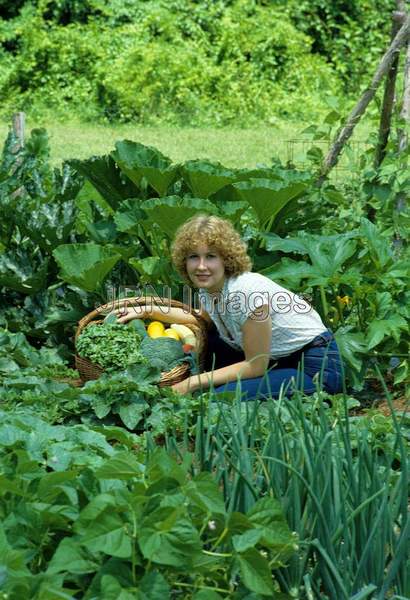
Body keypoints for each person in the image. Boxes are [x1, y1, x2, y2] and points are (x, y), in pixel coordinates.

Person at [118, 214, 343, 400]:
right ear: (183, 261)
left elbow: (255, 366)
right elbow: (201, 319)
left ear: (226, 258)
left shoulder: (246, 292)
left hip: (314, 367)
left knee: (218, 399)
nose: (202, 266)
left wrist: (191, 382)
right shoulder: (211, 289)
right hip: (274, 359)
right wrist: (146, 309)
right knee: (212, 341)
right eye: (193, 257)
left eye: (211, 257)